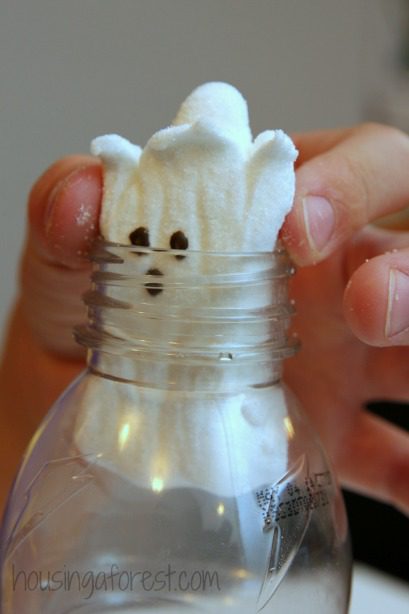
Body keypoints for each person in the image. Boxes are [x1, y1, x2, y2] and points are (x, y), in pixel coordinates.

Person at [0, 123, 408, 516]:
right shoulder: (83, 419)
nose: (156, 268)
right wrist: (28, 414)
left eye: (176, 249)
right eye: (141, 244)